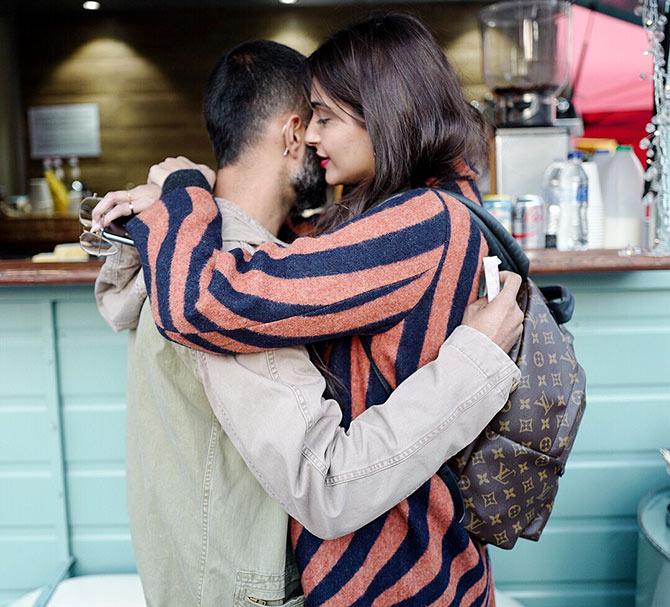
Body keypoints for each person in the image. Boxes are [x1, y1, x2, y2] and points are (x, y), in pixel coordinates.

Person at [95, 19, 523, 607]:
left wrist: (183, 192)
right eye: (314, 116)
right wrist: (179, 200)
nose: (319, 138)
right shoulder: (421, 212)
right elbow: (286, 271)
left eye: (330, 116)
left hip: (400, 573)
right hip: (413, 564)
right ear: (291, 130)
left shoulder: (417, 222)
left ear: (381, 110)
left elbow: (214, 298)